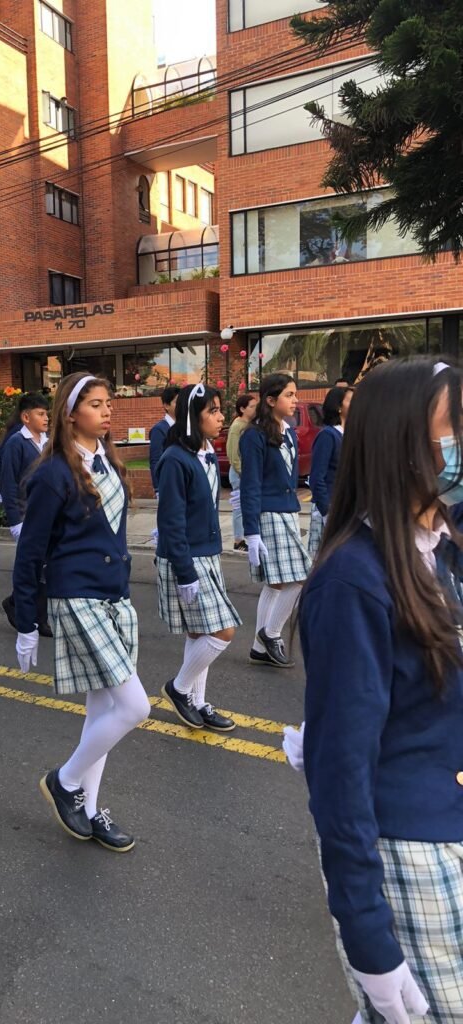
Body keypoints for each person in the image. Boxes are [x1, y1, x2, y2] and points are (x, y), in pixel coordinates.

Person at [296, 357, 463, 1024]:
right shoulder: (354, 581)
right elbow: (340, 775)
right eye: (454, 430)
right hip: (410, 852)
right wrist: (369, 941)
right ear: (404, 444)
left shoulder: (440, 547)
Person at [13, 373, 150, 852]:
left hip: (113, 594)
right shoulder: (53, 472)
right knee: (135, 706)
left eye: (108, 402)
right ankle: (64, 779)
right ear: (70, 414)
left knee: (103, 711)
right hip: (76, 595)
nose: (107, 410)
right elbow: (30, 552)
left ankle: (90, 809)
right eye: (95, 404)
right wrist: (27, 623)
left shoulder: (106, 462)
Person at [156, 385, 240, 732]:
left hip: (205, 554)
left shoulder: (204, 452)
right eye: (214, 411)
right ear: (194, 416)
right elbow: (171, 521)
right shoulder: (176, 459)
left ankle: (197, 701)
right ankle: (178, 689)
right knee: (223, 632)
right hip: (187, 558)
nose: (222, 418)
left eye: (221, 410)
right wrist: (185, 572)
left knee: (198, 634)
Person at [239, 373, 311, 669]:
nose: (295, 400)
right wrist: (251, 532)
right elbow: (250, 485)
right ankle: (271, 633)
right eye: (289, 395)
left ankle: (259, 647)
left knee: (276, 584)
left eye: (295, 394)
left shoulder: (289, 431)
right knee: (299, 577)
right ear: (271, 400)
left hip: (287, 510)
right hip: (269, 514)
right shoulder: (253, 435)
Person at [0, 392, 51, 636]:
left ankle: (28, 610)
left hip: (45, 514)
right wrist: (15, 521)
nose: (46, 418)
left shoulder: (48, 441)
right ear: (26, 417)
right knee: (31, 569)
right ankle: (30, 615)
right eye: (41, 414)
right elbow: (8, 484)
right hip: (26, 516)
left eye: (46, 413)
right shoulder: (16, 443)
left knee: (45, 568)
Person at [307, 385, 352, 560]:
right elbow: (317, 477)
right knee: (324, 561)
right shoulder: (328, 435)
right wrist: (327, 511)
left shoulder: (350, 434)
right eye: (351, 401)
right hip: (330, 508)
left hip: (347, 508)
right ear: (339, 407)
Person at [226, 393, 258, 553]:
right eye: (252, 407)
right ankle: (238, 540)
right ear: (242, 409)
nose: (255, 409)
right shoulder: (237, 426)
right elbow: (233, 454)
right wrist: (243, 473)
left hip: (247, 472)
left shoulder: (250, 424)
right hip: (239, 473)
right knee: (239, 507)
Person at [149, 385, 180, 493]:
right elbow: (155, 460)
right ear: (166, 405)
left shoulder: (185, 428)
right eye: (177, 402)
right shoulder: (159, 430)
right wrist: (158, 488)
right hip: (167, 485)